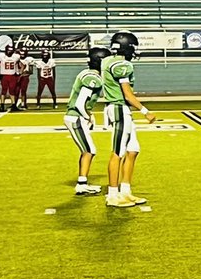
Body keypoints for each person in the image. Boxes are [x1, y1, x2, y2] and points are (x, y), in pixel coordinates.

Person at [101, 31, 157, 208]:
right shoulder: (121, 65)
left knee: (133, 150)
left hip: (119, 109)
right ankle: (112, 195)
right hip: (119, 108)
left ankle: (125, 191)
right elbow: (127, 94)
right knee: (117, 152)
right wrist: (145, 111)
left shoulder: (107, 61)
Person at [63, 46, 109, 195]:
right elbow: (80, 103)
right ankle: (81, 184)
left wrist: (89, 114)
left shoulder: (87, 73)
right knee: (89, 150)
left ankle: (82, 182)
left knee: (86, 150)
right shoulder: (93, 78)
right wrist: (87, 115)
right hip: (76, 117)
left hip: (75, 116)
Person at [0, 44, 19, 111]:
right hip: (5, 75)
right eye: (9, 50)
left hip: (12, 75)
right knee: (4, 91)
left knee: (12, 91)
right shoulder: (2, 56)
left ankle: (13, 105)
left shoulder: (15, 57)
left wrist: (18, 72)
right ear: (6, 50)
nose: (10, 52)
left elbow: (20, 64)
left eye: (11, 50)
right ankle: (2, 105)